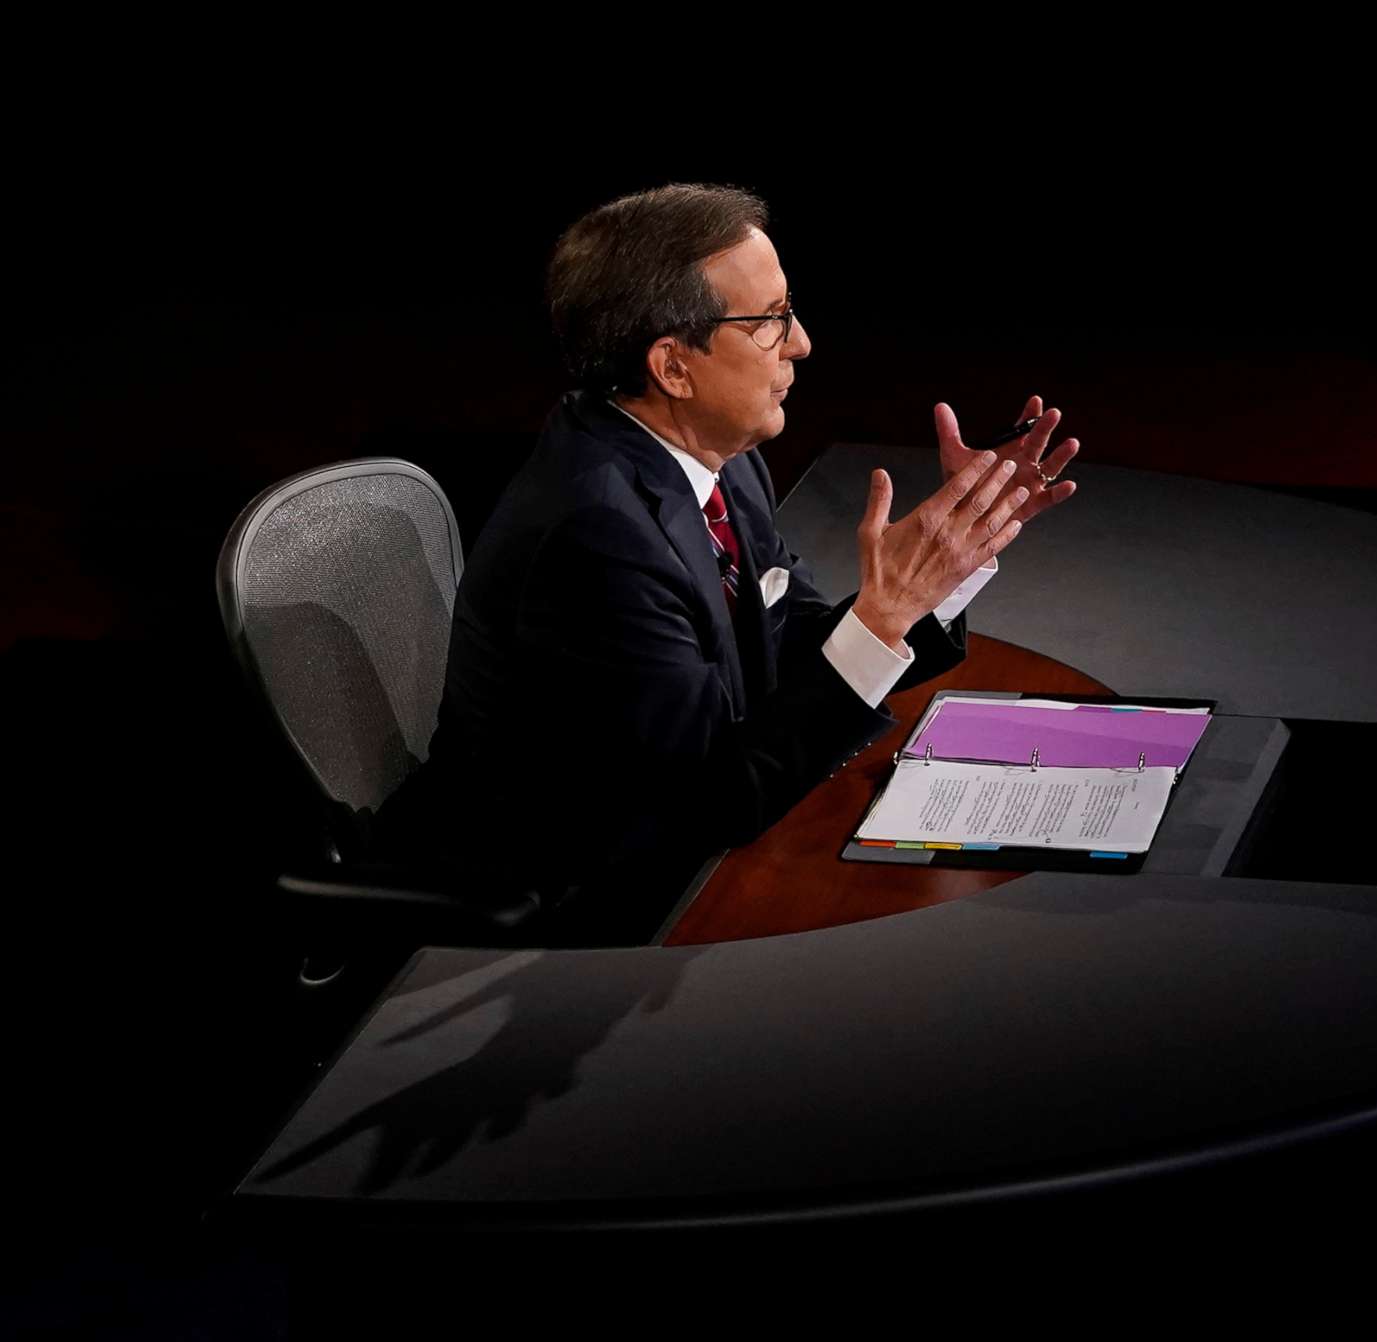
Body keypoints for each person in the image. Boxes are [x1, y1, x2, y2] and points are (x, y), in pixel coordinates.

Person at [376, 182, 1080, 943]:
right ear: (673, 367)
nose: (802, 342)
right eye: (771, 321)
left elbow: (787, 653)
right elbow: (715, 802)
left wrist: (928, 583)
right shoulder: (596, 535)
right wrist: (881, 615)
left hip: (688, 835)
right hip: (581, 904)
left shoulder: (713, 458)